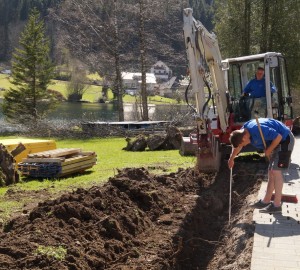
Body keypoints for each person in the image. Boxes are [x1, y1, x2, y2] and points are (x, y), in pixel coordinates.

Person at [228, 118, 295, 213]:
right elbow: (238, 146)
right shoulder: (243, 131)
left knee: (276, 171)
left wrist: (268, 150)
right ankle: (266, 201)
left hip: (285, 140)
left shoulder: (258, 129)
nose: (243, 146)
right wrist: (231, 159)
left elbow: (278, 137)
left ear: (244, 138)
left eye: (243, 144)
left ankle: (277, 205)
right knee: (271, 172)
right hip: (276, 143)